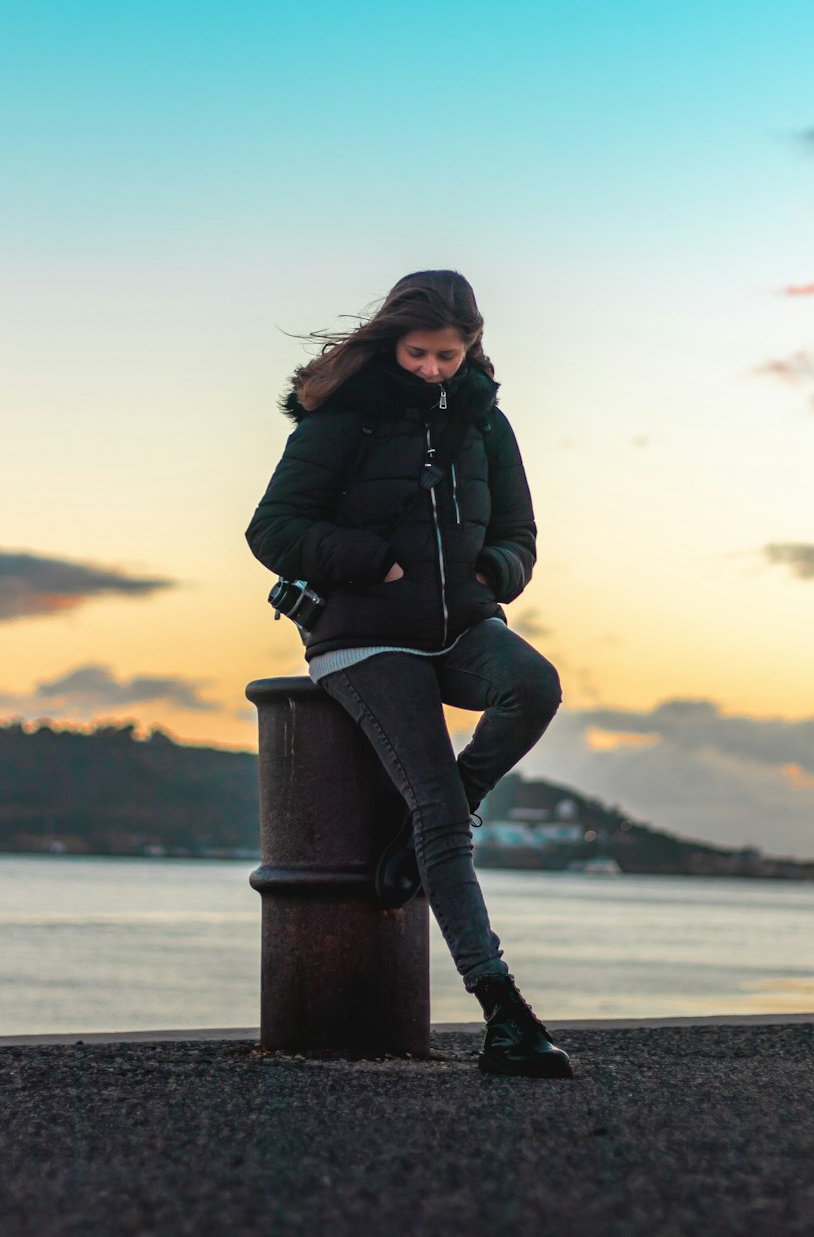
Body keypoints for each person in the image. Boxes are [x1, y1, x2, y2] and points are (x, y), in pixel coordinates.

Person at [246, 270, 572, 1078]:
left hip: (459, 625)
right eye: (420, 353)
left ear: (472, 349)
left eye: (447, 355)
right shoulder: (342, 420)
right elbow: (271, 527)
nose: (432, 369)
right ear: (393, 342)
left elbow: (522, 531)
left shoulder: (486, 424)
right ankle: (503, 1011)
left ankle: (456, 802)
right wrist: (372, 562)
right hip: (363, 638)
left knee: (534, 687)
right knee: (435, 812)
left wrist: (493, 577)